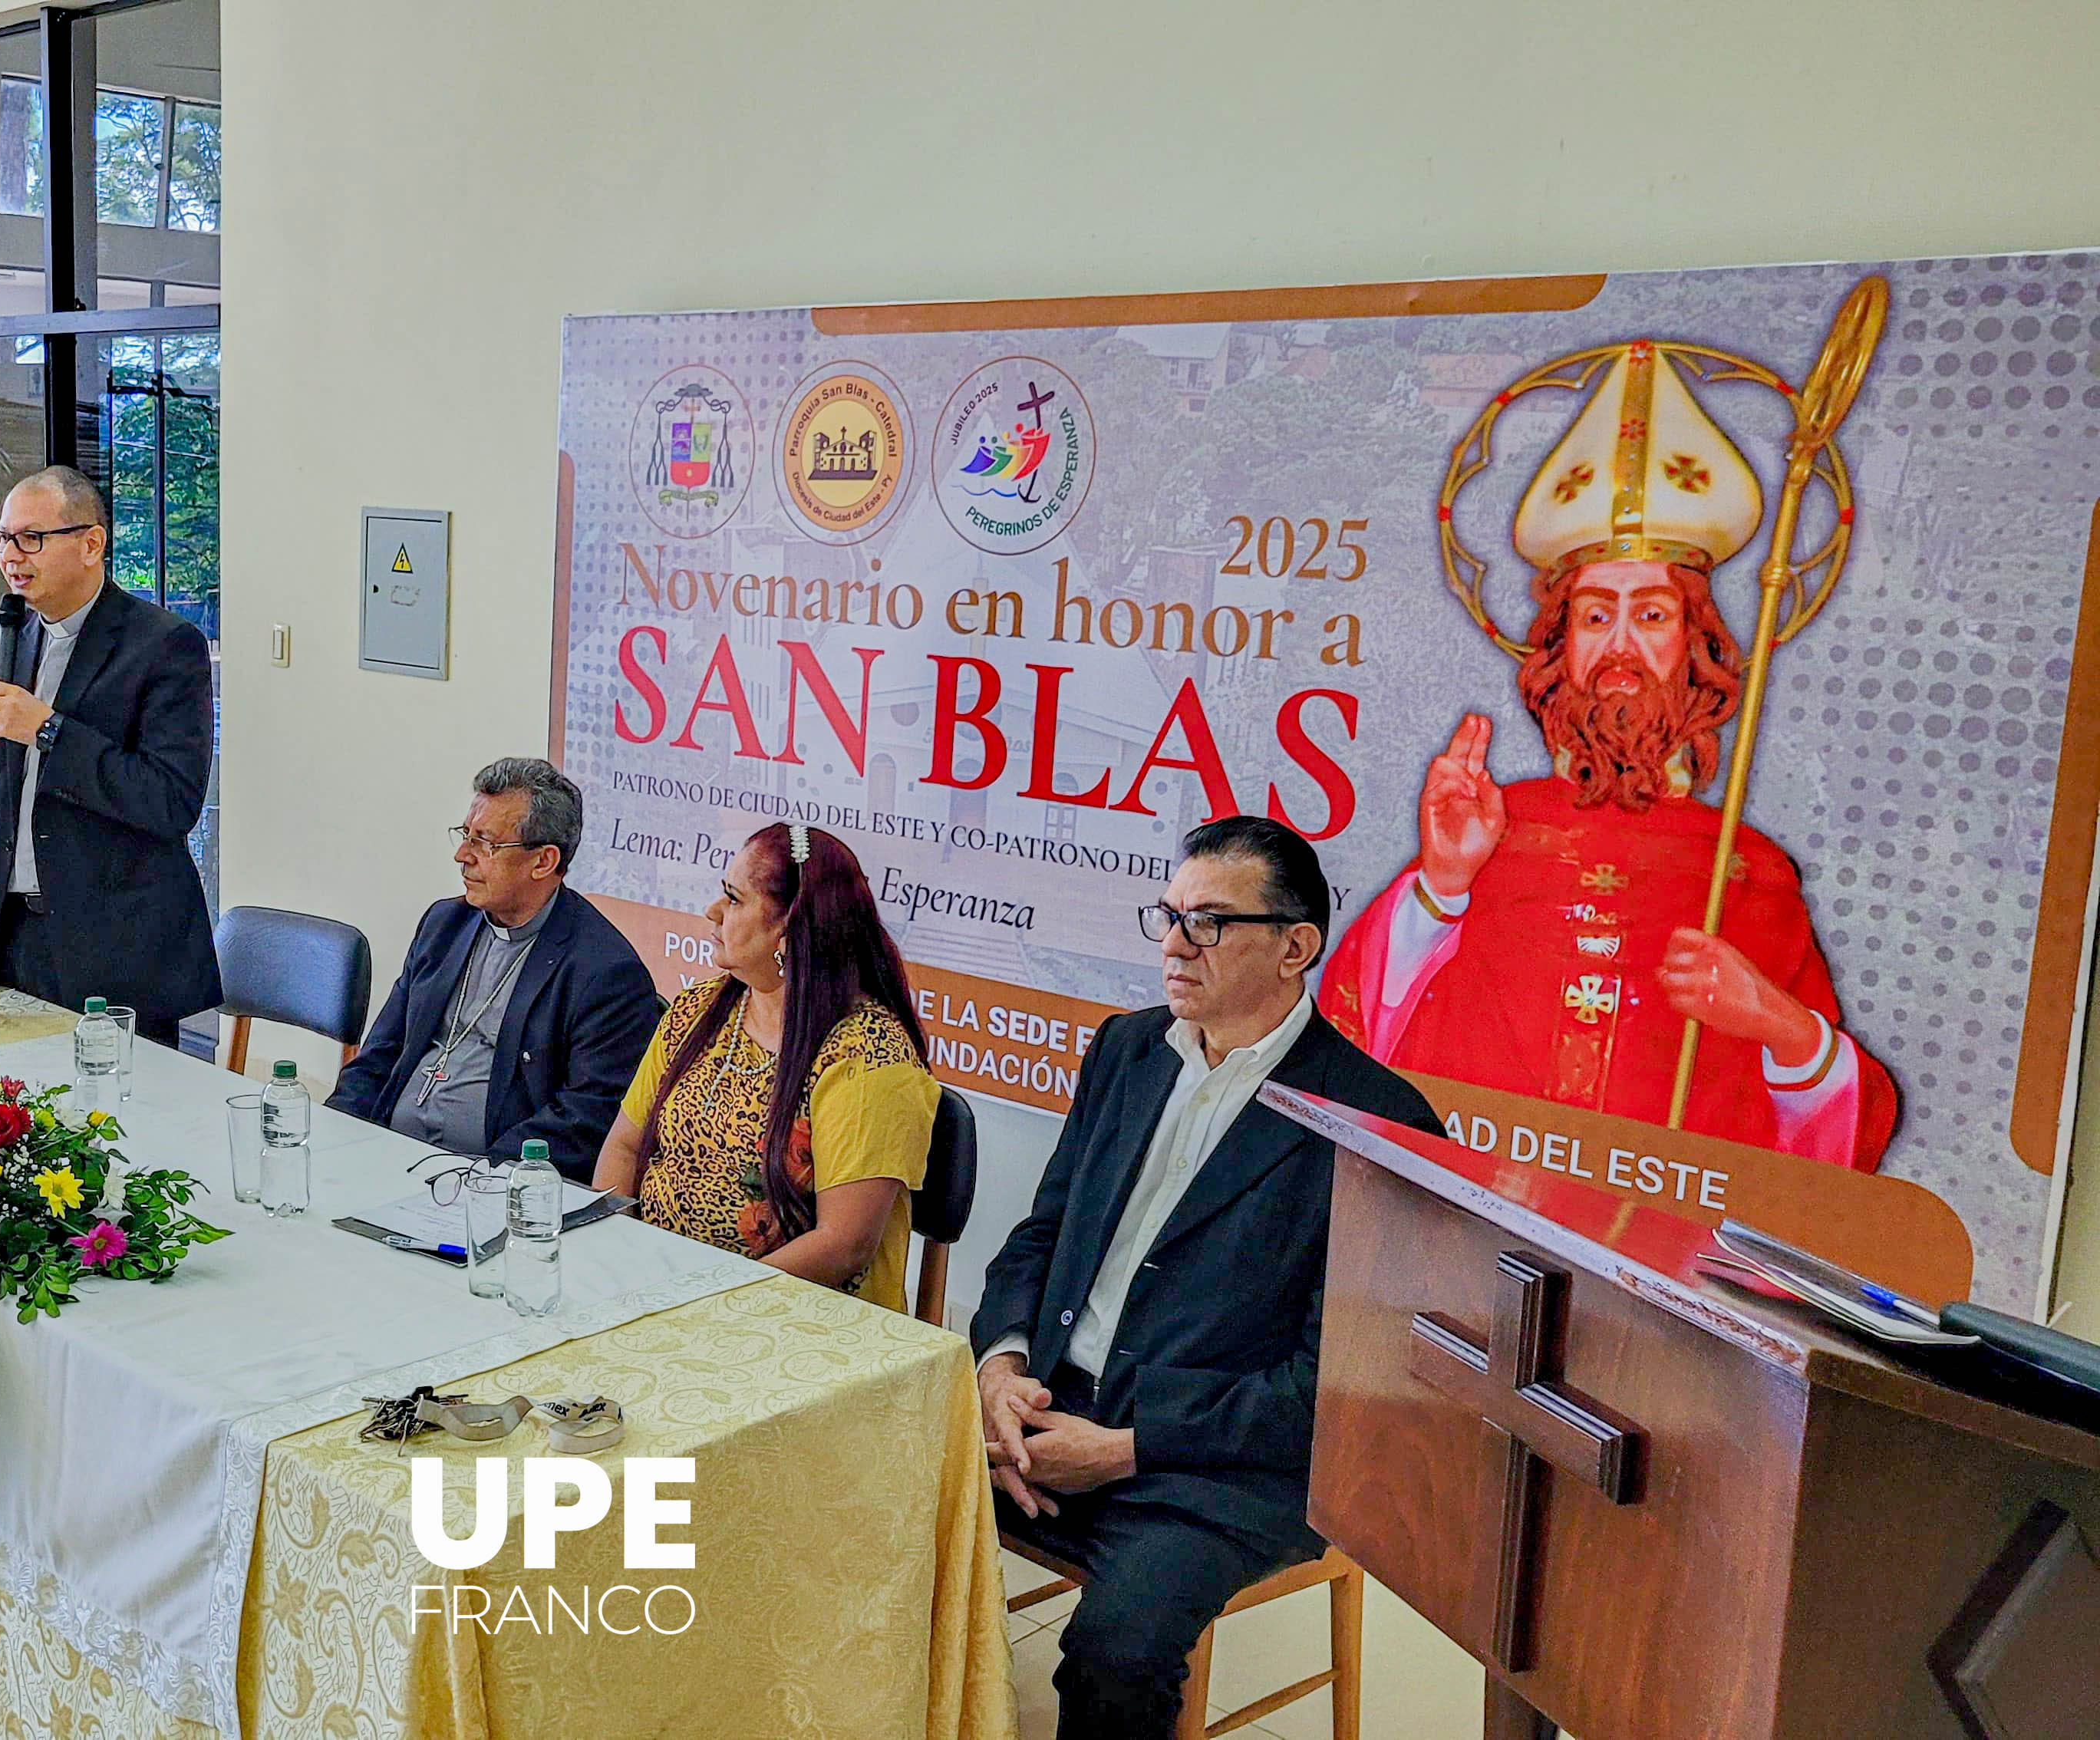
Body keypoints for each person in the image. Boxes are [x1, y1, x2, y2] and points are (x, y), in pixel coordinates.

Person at [1318, 339, 1894, 1169]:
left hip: (1654, 1250)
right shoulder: (1493, 830)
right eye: (1595, 617)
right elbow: (1362, 1036)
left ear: (1697, 645)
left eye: (1652, 616)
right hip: (1460, 1226)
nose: (1621, 646)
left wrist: (1780, 1025)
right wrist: (1443, 887)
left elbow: (1837, 1141)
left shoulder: (1747, 866)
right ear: (1555, 645)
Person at [972, 816, 1439, 1740]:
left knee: (1117, 1656)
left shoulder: (1380, 1122)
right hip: (1051, 1406)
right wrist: (1001, 1369)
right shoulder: (1127, 1050)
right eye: (1170, 915)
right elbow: (1040, 1235)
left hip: (1219, 1463)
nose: (1176, 945)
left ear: (1296, 947)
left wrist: (1129, 1449)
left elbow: (1335, 1385)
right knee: (870, 1511)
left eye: (1212, 923)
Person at [0, 468, 218, 1045]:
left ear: (91, 544)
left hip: (118, 951)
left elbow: (169, 801)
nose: (12, 556)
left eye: (31, 538)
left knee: (117, 1126)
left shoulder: (165, 646)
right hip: (8, 938)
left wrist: (49, 730)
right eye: (2, 538)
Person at [590, 824, 935, 1313]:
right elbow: (624, 1146)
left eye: (734, 899)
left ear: (788, 929)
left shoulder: (869, 1057)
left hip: (788, 1318)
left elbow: (844, 1244)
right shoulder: (697, 1011)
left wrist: (707, 1300)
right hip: (657, 1290)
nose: (713, 912)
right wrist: (616, 1258)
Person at [328, 758, 663, 1179]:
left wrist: (475, 1180)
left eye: (484, 843)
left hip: (489, 1185)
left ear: (543, 861)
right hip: (388, 1157)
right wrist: (332, 1134)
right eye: (465, 835)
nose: (461, 855)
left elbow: (584, 1122)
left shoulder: (605, 972)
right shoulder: (443, 925)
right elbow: (380, 1054)